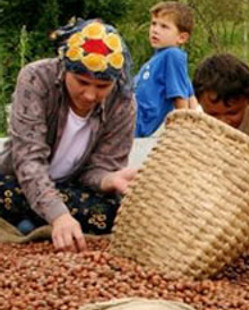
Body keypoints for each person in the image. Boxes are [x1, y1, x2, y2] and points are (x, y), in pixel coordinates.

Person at [0, 19, 137, 252]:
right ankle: (43, 222)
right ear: (65, 69)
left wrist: (109, 180)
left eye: (102, 86)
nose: (90, 95)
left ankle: (30, 223)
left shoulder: (123, 104)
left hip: (73, 190)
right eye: (82, 82)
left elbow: (96, 170)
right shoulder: (36, 79)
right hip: (20, 181)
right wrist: (58, 215)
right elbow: (28, 159)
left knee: (110, 213)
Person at [135, 1, 198, 137]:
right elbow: (190, 93)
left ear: (181, 37)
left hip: (137, 123)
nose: (155, 30)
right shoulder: (158, 58)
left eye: (164, 26)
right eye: (153, 23)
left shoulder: (173, 55)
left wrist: (185, 132)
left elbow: (181, 97)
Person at [194, 53, 249, 145]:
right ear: (199, 101)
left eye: (232, 113)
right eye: (213, 114)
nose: (222, 123)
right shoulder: (197, 120)